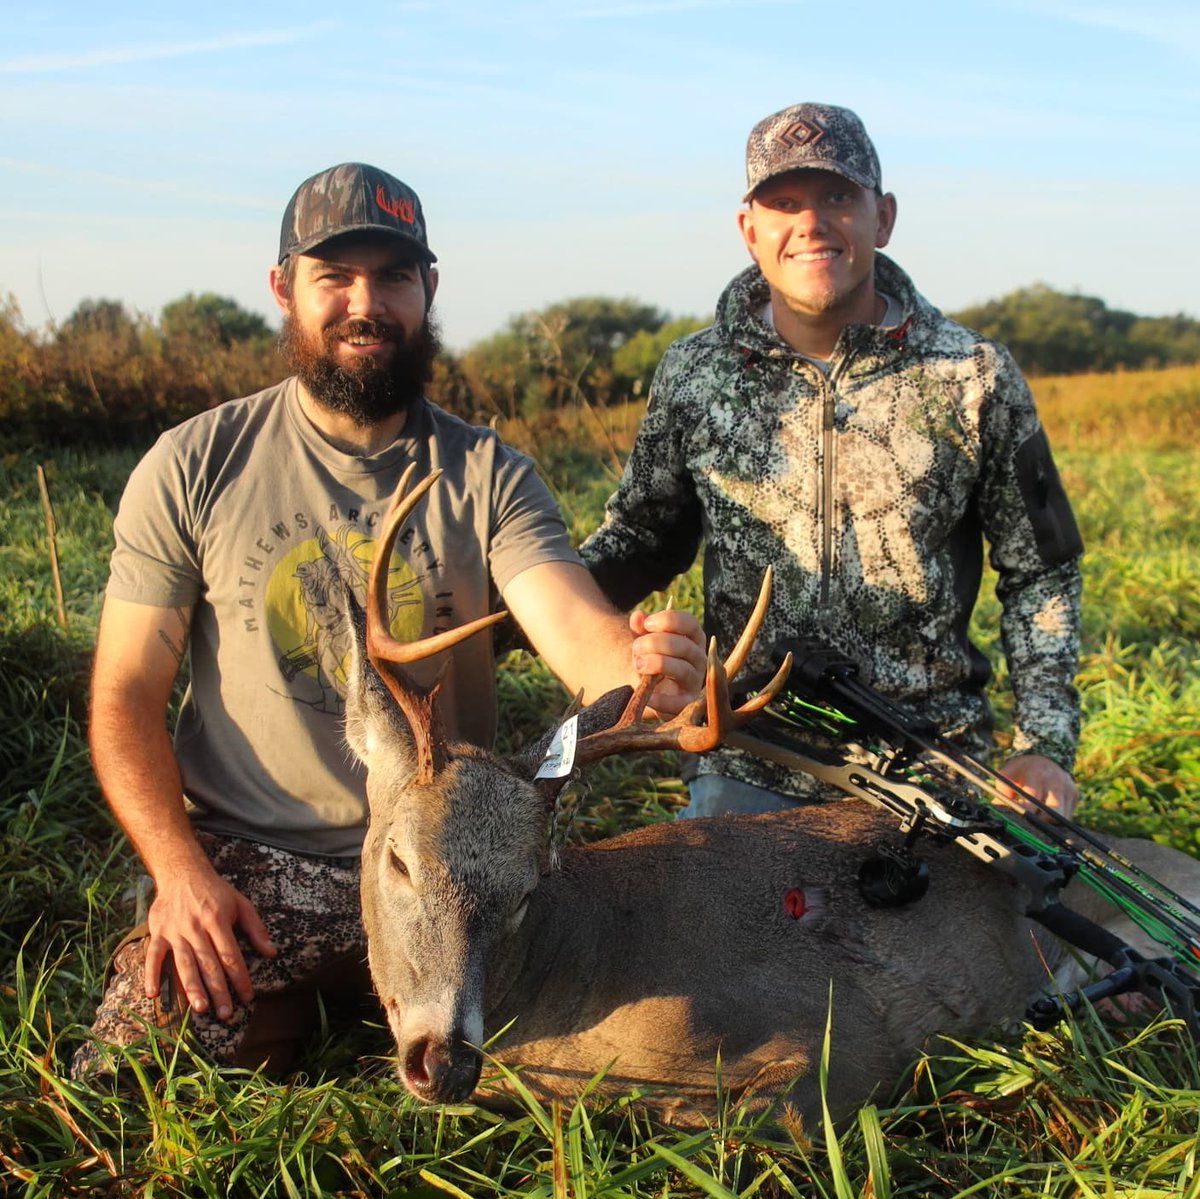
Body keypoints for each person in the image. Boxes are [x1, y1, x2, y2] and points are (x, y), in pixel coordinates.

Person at [73, 162, 705, 1077]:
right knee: (138, 1081)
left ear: (429, 290)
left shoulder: (488, 474)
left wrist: (643, 670)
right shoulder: (195, 463)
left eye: (395, 276)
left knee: (627, 1072)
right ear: (284, 288)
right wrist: (178, 873)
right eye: (335, 276)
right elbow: (125, 693)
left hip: (456, 869)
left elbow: (578, 633)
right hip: (255, 871)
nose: (365, 302)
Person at [582, 103, 1083, 821]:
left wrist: (1044, 744)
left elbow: (1044, 569)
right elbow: (635, 544)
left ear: (883, 217)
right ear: (749, 231)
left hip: (934, 769)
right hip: (749, 761)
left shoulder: (975, 375)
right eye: (783, 203)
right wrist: (514, 611)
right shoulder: (693, 374)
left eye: (837, 197)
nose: (810, 223)